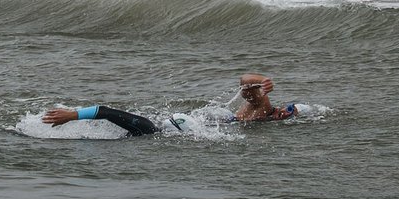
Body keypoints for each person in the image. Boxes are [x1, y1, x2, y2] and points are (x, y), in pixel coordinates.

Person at [41, 72, 296, 136]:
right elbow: (244, 82)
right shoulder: (262, 110)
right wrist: (262, 80)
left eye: (290, 115)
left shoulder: (263, 121)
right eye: (288, 109)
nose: (286, 114)